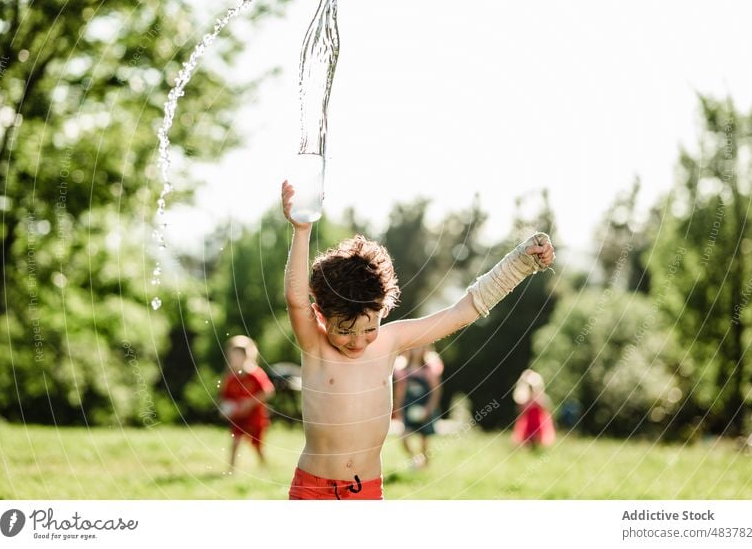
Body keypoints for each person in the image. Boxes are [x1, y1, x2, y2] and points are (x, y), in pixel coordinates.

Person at [282, 180, 555, 500]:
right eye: (344, 330)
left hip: (365, 490)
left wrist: (520, 263)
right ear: (321, 316)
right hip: (312, 488)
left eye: (368, 328)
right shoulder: (315, 347)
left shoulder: (389, 341)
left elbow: (461, 311)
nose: (357, 342)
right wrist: (301, 231)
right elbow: (296, 299)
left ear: (382, 311)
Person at [219, 335, 275, 470]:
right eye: (232, 357)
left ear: (247, 356)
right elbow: (225, 396)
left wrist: (250, 403)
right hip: (238, 418)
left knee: (256, 444)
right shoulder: (231, 378)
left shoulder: (255, 374)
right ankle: (231, 469)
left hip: (255, 417)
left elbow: (268, 391)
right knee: (235, 441)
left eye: (237, 356)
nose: (234, 360)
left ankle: (264, 466)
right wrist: (226, 409)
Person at [393, 345, 443, 469]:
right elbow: (400, 392)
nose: (416, 350)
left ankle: (426, 468)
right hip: (408, 408)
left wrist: (429, 408)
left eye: (419, 348)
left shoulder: (429, 370)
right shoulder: (404, 370)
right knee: (404, 437)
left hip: (425, 408)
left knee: (424, 442)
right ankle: (415, 460)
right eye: (413, 348)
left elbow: (436, 391)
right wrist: (398, 409)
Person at [511, 369, 556, 448]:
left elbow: (548, 407)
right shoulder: (524, 399)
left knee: (539, 442)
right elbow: (520, 409)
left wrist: (537, 400)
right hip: (528, 423)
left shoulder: (540, 398)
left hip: (539, 423)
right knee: (527, 443)